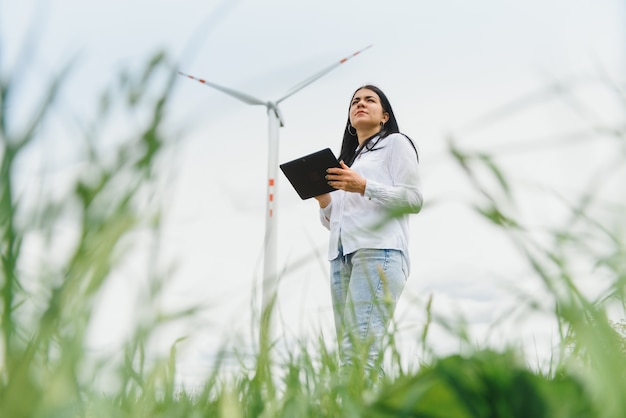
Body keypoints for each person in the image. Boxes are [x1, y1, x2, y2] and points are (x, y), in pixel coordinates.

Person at [313, 85, 423, 379]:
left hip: (379, 252)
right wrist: (322, 197)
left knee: (359, 354)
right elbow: (333, 220)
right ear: (350, 120)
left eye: (369, 100)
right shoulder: (350, 162)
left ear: (384, 115)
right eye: (355, 101)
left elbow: (413, 200)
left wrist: (363, 186)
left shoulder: (396, 144)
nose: (360, 104)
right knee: (350, 353)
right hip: (341, 257)